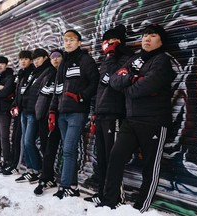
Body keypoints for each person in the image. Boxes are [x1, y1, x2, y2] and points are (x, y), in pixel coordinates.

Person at [97, 24, 175, 212]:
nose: (147, 38)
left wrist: (128, 84)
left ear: (161, 41)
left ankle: (141, 207)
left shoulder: (162, 60)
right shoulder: (135, 59)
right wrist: (132, 80)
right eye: (145, 35)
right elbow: (115, 80)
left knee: (151, 167)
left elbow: (146, 86)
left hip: (154, 121)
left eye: (153, 35)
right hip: (130, 120)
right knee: (115, 157)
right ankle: (109, 202)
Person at [83, 24, 134, 204]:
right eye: (106, 41)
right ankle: (102, 193)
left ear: (119, 41)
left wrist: (112, 55)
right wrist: (95, 113)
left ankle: (115, 196)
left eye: (111, 40)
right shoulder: (106, 59)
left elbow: (114, 80)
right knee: (102, 158)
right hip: (102, 113)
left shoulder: (126, 58)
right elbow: (100, 87)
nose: (107, 44)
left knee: (112, 157)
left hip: (115, 113)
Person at [49, 30, 99, 199]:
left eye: (71, 40)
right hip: (62, 113)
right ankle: (73, 186)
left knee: (69, 149)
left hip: (77, 112)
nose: (68, 43)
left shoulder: (86, 60)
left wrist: (82, 96)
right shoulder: (63, 63)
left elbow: (94, 82)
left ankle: (64, 186)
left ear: (79, 42)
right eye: (65, 40)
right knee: (68, 150)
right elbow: (58, 88)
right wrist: (52, 111)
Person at [14, 48, 53, 184]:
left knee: (28, 141)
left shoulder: (47, 72)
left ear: (45, 58)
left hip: (33, 113)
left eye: (38, 59)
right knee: (25, 142)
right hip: (25, 110)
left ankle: (37, 170)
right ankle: (30, 170)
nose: (36, 62)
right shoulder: (35, 73)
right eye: (35, 59)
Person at [34, 49, 63, 196]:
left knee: (52, 149)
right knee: (46, 148)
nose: (55, 59)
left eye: (58, 56)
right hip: (44, 117)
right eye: (53, 57)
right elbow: (39, 93)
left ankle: (46, 179)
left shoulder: (63, 74)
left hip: (58, 116)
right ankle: (48, 176)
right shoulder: (48, 74)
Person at [2, 50, 35, 176]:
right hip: (18, 110)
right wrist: (14, 105)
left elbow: (28, 93)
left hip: (26, 111)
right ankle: (12, 163)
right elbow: (18, 93)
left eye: (26, 59)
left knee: (21, 140)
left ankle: (17, 165)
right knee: (15, 139)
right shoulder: (20, 74)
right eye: (21, 59)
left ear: (30, 60)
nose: (23, 61)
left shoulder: (32, 73)